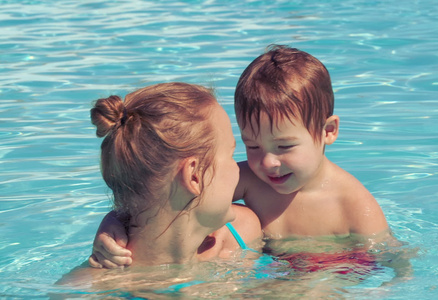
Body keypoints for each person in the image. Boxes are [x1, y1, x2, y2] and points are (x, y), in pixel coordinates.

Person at [89, 46, 397, 269]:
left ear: (328, 131)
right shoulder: (249, 179)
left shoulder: (353, 203)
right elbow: (160, 199)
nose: (267, 163)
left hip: (332, 268)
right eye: (251, 146)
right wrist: (112, 225)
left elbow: (389, 256)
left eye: (285, 147)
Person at [62, 82, 262, 277]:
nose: (238, 167)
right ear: (194, 175)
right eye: (230, 155)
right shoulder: (89, 290)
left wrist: (114, 218)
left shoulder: (242, 232)